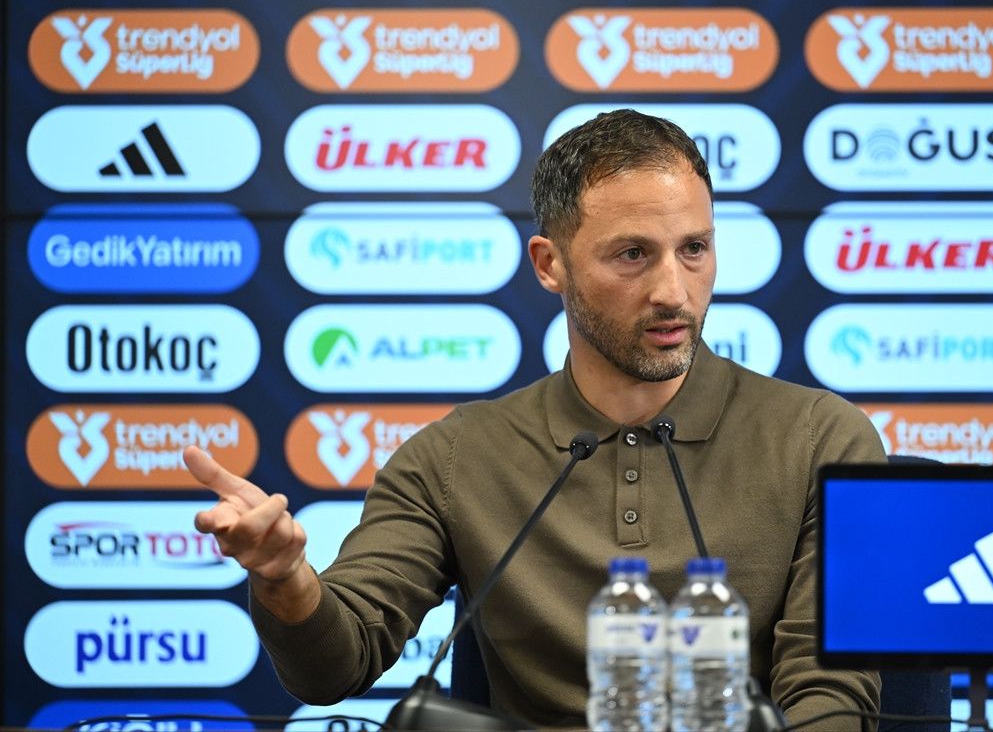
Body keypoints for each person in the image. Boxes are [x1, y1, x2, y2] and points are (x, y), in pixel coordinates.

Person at [184, 109, 885, 730]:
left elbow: (830, 696)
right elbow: (336, 666)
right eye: (633, 254)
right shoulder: (454, 457)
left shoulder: (822, 437)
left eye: (694, 249)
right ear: (551, 265)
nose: (675, 292)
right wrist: (284, 578)